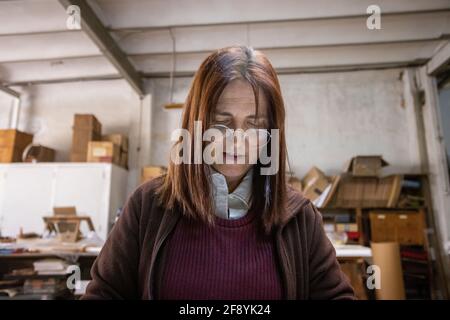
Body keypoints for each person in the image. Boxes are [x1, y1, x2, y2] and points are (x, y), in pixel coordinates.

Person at [82, 46, 354, 300]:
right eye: (221, 122)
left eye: (255, 124)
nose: (237, 139)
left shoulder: (300, 217)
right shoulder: (147, 206)